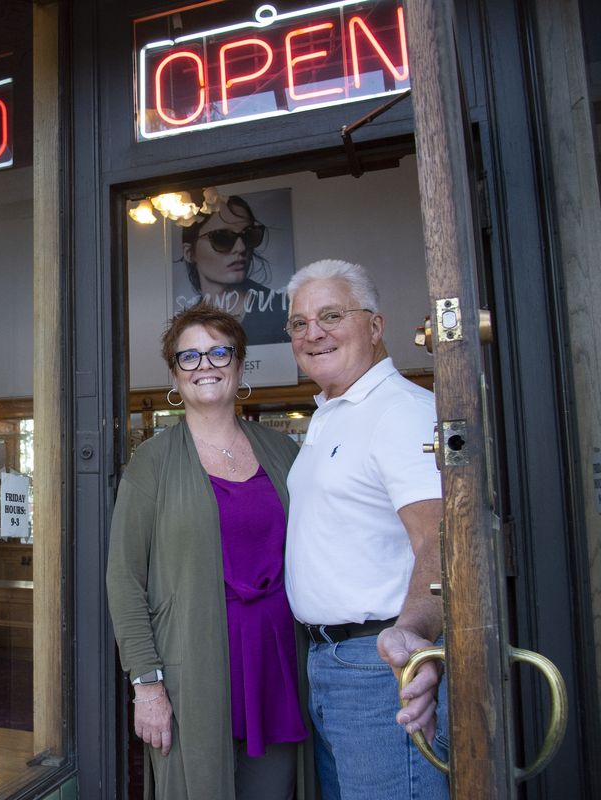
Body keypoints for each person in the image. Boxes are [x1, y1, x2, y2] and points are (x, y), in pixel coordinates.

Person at [107, 303, 308, 798]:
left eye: (219, 352)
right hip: (191, 669)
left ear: (239, 365)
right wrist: (147, 685)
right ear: (175, 374)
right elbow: (125, 579)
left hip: (278, 665)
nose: (206, 366)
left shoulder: (284, 453)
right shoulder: (152, 462)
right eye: (189, 357)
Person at [282, 259, 447, 799]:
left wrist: (413, 633)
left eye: (331, 315)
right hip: (328, 663)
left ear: (375, 327)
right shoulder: (331, 415)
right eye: (299, 323)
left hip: (381, 667)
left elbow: (442, 540)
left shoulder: (400, 410)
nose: (314, 333)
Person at [176, 191, 289, 345]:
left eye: (249, 235)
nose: (241, 248)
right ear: (190, 253)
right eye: (222, 238)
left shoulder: (283, 310)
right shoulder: (184, 324)